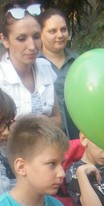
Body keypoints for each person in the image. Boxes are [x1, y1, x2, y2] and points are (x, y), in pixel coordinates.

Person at [0, 0, 61, 127]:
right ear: (5, 40)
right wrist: (34, 124)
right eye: (21, 38)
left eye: (36, 36)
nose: (32, 46)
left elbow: (57, 119)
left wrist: (42, 122)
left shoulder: (45, 67)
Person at [39, 9, 79, 139]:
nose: (60, 35)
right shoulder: (34, 66)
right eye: (52, 31)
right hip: (47, 138)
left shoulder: (79, 63)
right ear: (40, 33)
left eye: (63, 29)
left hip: (79, 137)